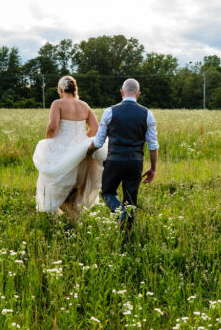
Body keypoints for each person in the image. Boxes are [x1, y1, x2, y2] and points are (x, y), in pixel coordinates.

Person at [86, 78, 158, 229]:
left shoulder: (109, 111)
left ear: (121, 92)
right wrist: (153, 168)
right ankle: (128, 235)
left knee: (107, 192)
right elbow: (153, 145)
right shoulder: (147, 114)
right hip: (136, 162)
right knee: (130, 200)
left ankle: (121, 215)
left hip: (114, 161)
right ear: (138, 94)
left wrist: (87, 153)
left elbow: (99, 142)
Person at [33, 76, 108, 216]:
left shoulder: (58, 103)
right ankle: (73, 221)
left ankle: (74, 222)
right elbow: (96, 129)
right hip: (81, 152)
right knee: (74, 190)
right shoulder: (84, 105)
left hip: (63, 151)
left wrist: (48, 143)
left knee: (57, 189)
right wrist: (82, 140)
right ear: (75, 89)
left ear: (60, 89)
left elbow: (52, 126)